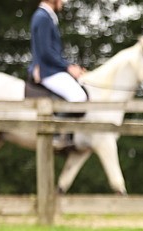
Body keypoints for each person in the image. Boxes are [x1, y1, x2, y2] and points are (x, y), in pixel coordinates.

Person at [29, 0, 87, 150]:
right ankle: (56, 135)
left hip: (51, 68)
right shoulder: (43, 17)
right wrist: (68, 67)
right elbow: (46, 52)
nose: (63, 2)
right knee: (79, 98)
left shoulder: (46, 16)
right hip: (48, 71)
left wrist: (71, 67)